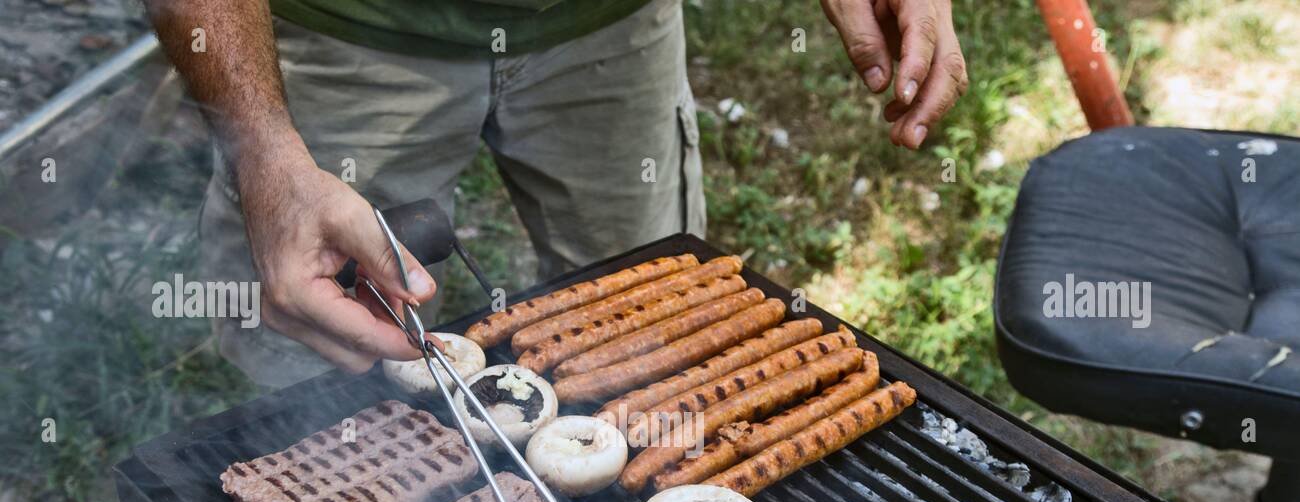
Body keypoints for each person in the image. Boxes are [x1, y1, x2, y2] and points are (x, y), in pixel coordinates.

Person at [145, 0, 967, 387]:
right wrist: (265, 152)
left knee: (665, 334)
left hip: (611, 25)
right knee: (318, 364)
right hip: (339, 31)